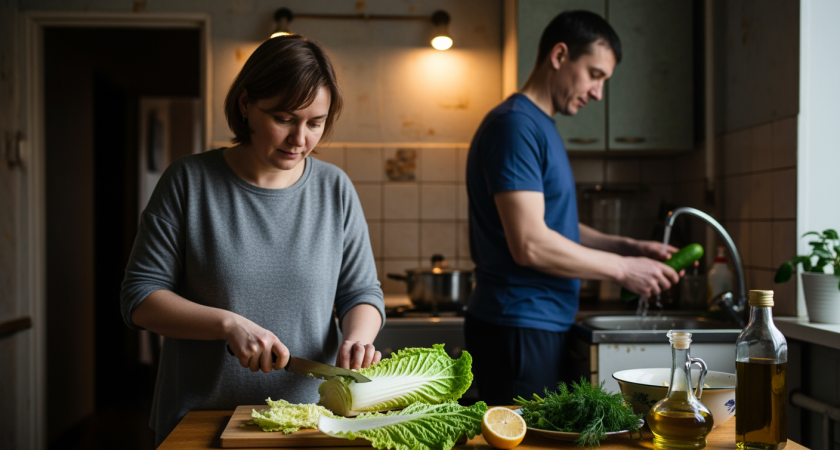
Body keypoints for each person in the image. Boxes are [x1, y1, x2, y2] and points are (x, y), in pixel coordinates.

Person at [120, 35, 384, 447]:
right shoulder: (189, 181)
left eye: (315, 123)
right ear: (246, 105)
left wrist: (358, 338)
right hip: (200, 420)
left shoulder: (335, 188)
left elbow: (362, 292)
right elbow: (139, 298)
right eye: (284, 118)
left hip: (310, 421)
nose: (300, 139)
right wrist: (227, 324)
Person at [464, 10, 683, 405]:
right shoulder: (515, 127)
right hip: (518, 324)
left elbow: (553, 226)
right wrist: (623, 270)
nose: (599, 92)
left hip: (536, 323)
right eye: (595, 74)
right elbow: (530, 243)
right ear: (560, 55)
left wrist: (627, 246)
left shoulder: (540, 125)